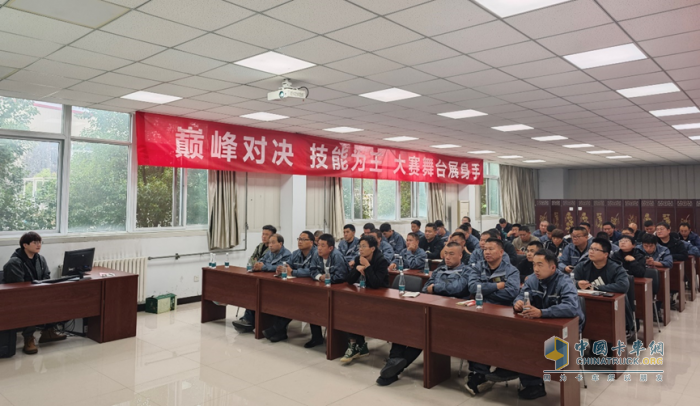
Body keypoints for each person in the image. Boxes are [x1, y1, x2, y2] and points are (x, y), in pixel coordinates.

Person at [377, 242, 468, 386]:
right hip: (430, 308)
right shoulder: (439, 270)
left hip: (451, 314)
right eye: (446, 254)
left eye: (452, 254)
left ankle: (394, 368)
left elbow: (457, 288)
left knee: (423, 334)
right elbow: (426, 288)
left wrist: (436, 287)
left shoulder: (466, 271)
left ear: (460, 255)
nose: (447, 257)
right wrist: (436, 289)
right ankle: (394, 362)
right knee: (404, 325)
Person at [511, 249, 585, 400]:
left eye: (540, 265)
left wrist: (542, 312)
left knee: (535, 344)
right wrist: (517, 303)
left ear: (552, 267)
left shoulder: (565, 282)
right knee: (519, 339)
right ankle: (526, 378)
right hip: (541, 325)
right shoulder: (532, 279)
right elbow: (521, 295)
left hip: (567, 328)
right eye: (533, 265)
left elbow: (571, 308)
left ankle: (535, 383)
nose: (536, 269)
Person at [464, 238, 520, 396]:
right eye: (485, 249)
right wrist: (497, 285)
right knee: (470, 331)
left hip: (502, 311)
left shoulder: (511, 270)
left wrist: (486, 291)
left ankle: (481, 373)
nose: (487, 252)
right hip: (480, 309)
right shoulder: (477, 267)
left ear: (501, 252)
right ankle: (480, 372)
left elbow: (511, 292)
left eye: (491, 249)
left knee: (488, 334)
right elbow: (473, 287)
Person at [2, 232, 67, 354]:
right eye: (35, 243)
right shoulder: (14, 262)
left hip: (37, 293)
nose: (38, 245)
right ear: (25, 245)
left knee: (58, 299)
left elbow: (46, 276)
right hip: (19, 297)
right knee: (31, 305)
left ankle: (48, 331)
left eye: (40, 242)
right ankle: (28, 338)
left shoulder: (40, 259)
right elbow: (17, 287)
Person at [263, 231, 321, 344]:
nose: (300, 242)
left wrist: (294, 271)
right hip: (298, 287)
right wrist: (283, 268)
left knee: (304, 305)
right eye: (299, 239)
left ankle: (277, 329)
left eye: (303, 239)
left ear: (312, 242)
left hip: (314, 289)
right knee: (281, 300)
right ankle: (280, 332)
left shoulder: (317, 254)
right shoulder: (295, 253)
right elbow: (287, 265)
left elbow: (313, 271)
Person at [573, 238, 634, 339]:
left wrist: (596, 287)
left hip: (611, 310)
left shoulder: (616, 268)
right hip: (589, 308)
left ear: (606, 254)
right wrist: (577, 284)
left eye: (596, 250)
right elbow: (569, 283)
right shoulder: (582, 266)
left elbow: (623, 285)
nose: (591, 251)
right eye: (590, 249)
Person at [342, 235, 389, 363]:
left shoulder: (381, 261)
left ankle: (358, 346)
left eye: (364, 246)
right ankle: (355, 345)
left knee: (356, 312)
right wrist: (357, 269)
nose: (360, 249)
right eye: (359, 246)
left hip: (381, 298)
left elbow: (376, 284)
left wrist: (367, 266)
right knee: (349, 310)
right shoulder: (359, 258)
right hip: (365, 295)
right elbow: (350, 280)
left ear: (372, 248)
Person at [232, 233, 292, 332]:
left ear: (280, 244)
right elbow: (261, 261)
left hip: (279, 285)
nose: (270, 245)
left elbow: (279, 267)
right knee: (253, 292)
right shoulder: (269, 253)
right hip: (266, 281)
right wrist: (257, 265)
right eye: (269, 243)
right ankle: (248, 319)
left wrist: (263, 267)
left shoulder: (287, 254)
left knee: (262, 296)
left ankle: (250, 321)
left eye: (273, 243)